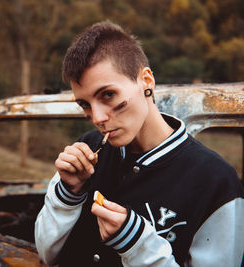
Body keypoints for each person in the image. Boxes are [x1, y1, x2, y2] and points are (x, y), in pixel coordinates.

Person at [34, 20, 244, 266]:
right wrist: (67, 195)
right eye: (85, 104)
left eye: (108, 95)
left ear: (146, 81)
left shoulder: (216, 182)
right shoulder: (86, 150)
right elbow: (46, 254)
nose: (98, 118)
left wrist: (137, 243)